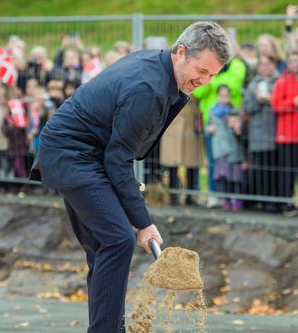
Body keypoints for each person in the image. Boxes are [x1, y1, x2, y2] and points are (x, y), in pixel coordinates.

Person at [31, 21, 232, 332]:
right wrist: (142, 221)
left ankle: (105, 328)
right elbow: (118, 159)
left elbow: (118, 154)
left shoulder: (158, 69)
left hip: (89, 153)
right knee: (118, 239)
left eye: (212, 75)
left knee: (105, 245)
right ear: (181, 52)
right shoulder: (147, 88)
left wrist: (134, 214)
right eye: (201, 70)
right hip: (72, 154)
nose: (204, 81)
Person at [271, 51, 298, 212]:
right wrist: (293, 102)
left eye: (297, 60)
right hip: (286, 135)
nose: (294, 63)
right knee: (287, 171)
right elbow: (276, 105)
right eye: (291, 60)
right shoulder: (282, 81)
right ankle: (286, 201)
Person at [242, 54, 280, 212]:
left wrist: (271, 100)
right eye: (263, 64)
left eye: (269, 64)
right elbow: (248, 107)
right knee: (259, 169)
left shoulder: (280, 81)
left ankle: (272, 201)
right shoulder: (253, 84)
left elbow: (283, 103)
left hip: (275, 132)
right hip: (257, 134)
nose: (266, 68)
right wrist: (259, 100)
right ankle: (260, 199)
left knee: (273, 169)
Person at [209, 85, 244, 211]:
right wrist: (210, 130)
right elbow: (207, 128)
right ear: (218, 96)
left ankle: (238, 201)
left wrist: (238, 129)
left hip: (233, 148)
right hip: (220, 148)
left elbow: (240, 132)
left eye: (227, 95)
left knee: (235, 176)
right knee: (224, 177)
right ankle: (227, 201)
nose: (225, 98)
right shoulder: (212, 111)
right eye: (222, 95)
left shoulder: (234, 110)